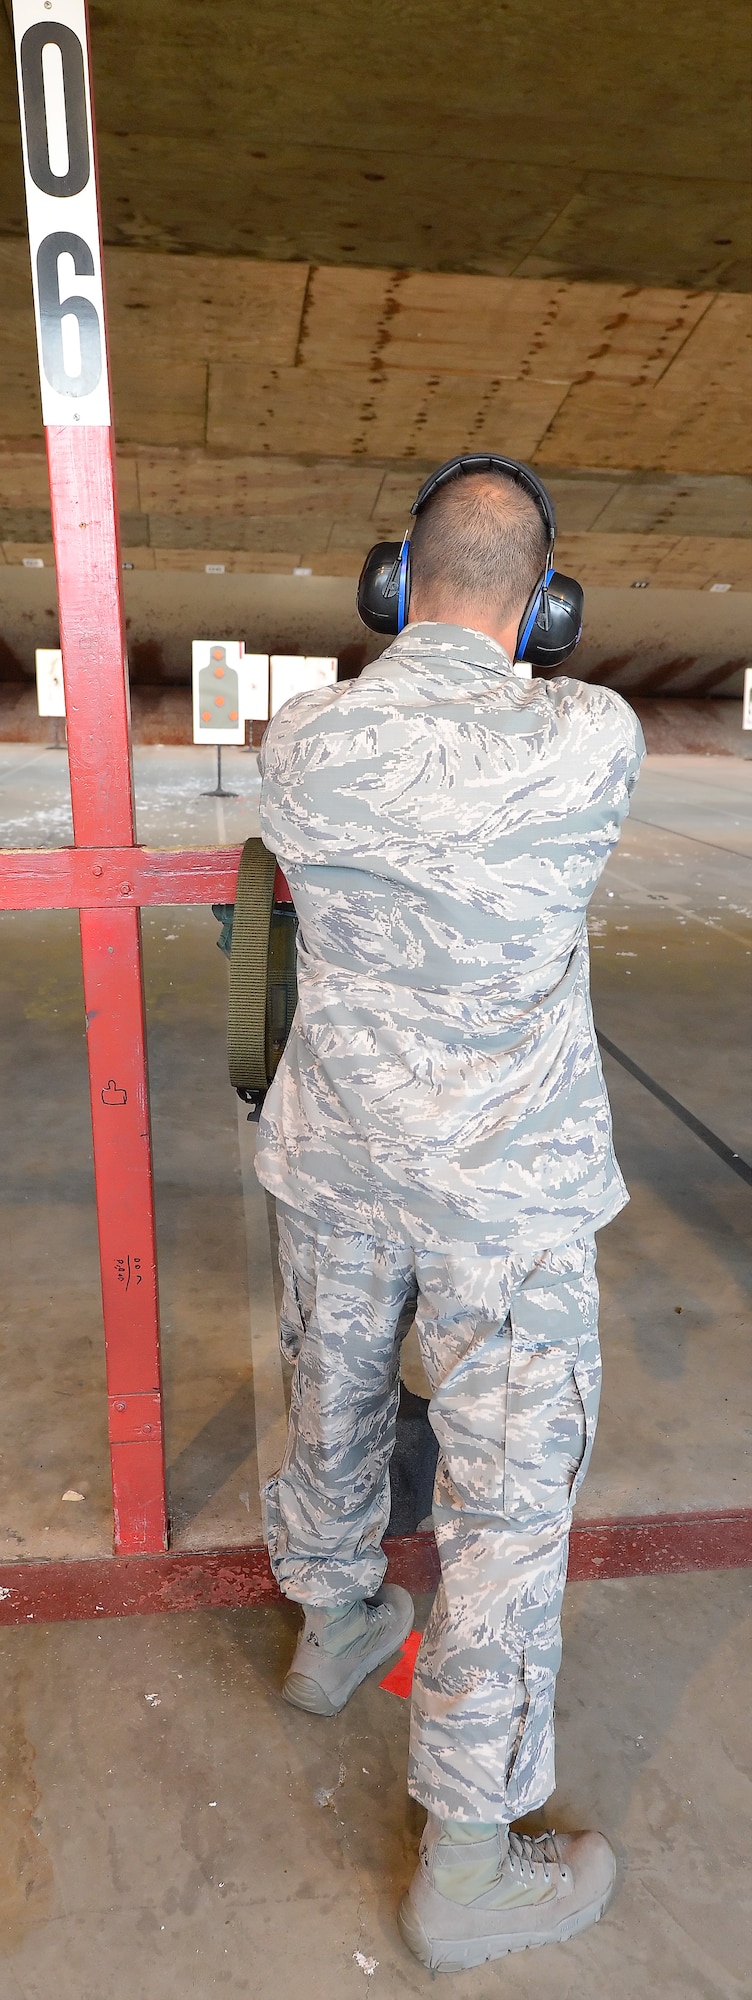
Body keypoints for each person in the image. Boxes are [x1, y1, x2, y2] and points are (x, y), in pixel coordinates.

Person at [254, 464, 645, 1972]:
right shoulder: (587, 737)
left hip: (343, 1155)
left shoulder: (307, 738)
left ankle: (336, 1620)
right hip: (509, 1187)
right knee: (503, 1500)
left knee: (339, 1395)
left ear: (391, 585)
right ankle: (470, 1860)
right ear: (546, 607)